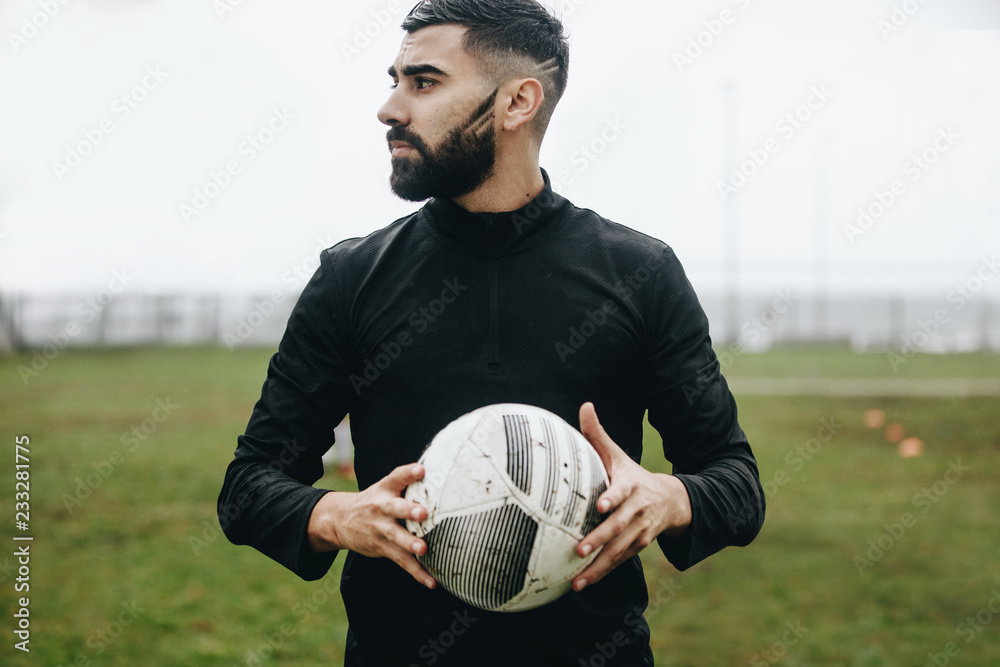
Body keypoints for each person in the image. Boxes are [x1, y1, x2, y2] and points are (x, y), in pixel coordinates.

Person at [218, 1, 765, 665]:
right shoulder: (351, 277)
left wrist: (669, 496)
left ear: (517, 102)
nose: (391, 109)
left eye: (423, 83)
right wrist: (333, 515)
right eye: (393, 81)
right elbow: (248, 487)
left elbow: (736, 484)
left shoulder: (639, 274)